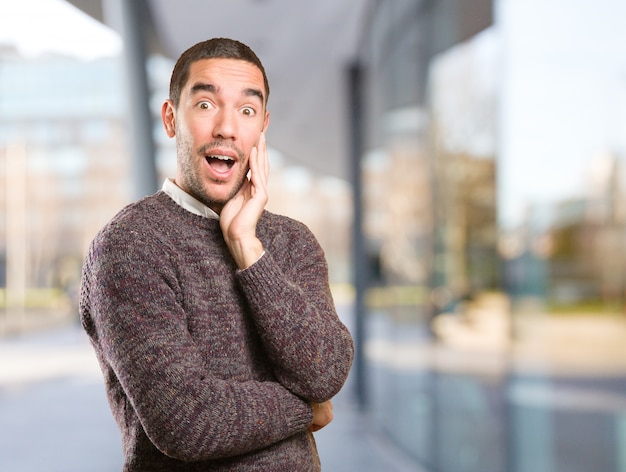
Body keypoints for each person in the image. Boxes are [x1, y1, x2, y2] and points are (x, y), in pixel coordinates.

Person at [79, 37, 354, 471]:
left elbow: (325, 372)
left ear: (262, 125)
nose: (227, 127)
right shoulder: (129, 244)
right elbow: (187, 421)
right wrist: (306, 408)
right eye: (206, 104)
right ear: (171, 118)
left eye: (247, 110)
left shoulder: (291, 241)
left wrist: (248, 248)